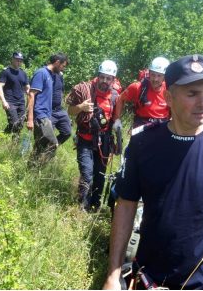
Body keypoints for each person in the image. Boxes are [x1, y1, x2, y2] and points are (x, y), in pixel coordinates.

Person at [103, 55, 203, 290]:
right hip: (151, 280)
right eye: (192, 94)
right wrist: (113, 275)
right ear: (168, 97)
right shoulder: (144, 144)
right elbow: (125, 206)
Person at [66, 60, 122, 211]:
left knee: (100, 176)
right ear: (98, 76)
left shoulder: (115, 96)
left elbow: (115, 119)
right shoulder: (86, 90)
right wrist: (81, 107)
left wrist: (116, 139)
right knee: (87, 174)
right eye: (102, 77)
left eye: (108, 78)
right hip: (85, 139)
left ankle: (94, 205)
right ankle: (82, 206)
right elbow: (70, 111)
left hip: (104, 142)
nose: (104, 81)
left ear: (113, 79)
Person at [27, 52, 71, 162]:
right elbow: (31, 95)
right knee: (52, 142)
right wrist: (30, 119)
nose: (63, 68)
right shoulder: (41, 73)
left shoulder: (52, 75)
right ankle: (37, 165)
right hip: (40, 114)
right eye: (63, 66)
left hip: (47, 114)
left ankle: (34, 167)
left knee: (41, 143)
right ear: (57, 62)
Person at [118, 57, 171, 133]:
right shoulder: (138, 87)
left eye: (159, 75)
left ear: (164, 77)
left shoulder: (169, 90)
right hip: (141, 127)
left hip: (162, 128)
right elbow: (120, 99)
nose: (155, 79)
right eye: (153, 74)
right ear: (149, 73)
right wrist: (117, 120)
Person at [0, 52, 29, 134]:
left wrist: (30, 94)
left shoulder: (23, 73)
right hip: (10, 102)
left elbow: (27, 87)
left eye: (20, 60)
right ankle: (5, 136)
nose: (19, 62)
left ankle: (11, 141)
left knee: (20, 124)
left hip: (21, 102)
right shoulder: (6, 72)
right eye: (17, 60)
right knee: (14, 123)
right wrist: (3, 101)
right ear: (12, 60)